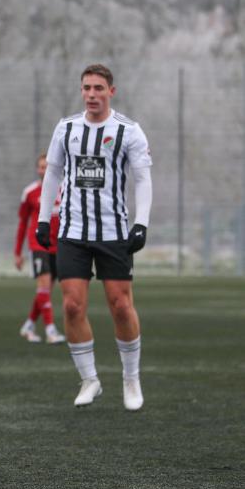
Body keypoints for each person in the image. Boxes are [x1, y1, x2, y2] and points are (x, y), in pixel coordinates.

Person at [35, 64, 152, 411]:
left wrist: (141, 223)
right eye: (86, 87)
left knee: (120, 305)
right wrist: (44, 220)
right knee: (71, 305)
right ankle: (90, 380)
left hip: (114, 232)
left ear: (110, 92)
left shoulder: (128, 131)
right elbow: (53, 172)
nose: (91, 94)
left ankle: (131, 378)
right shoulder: (66, 128)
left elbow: (143, 179)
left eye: (98, 88)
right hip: (72, 232)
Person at [15, 153, 66, 344]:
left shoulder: (64, 190)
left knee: (44, 291)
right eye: (41, 167)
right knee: (44, 286)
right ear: (37, 169)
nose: (44, 170)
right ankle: (51, 331)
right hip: (38, 244)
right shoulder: (30, 192)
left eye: (47, 166)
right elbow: (22, 224)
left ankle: (29, 325)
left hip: (58, 246)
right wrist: (17, 253)